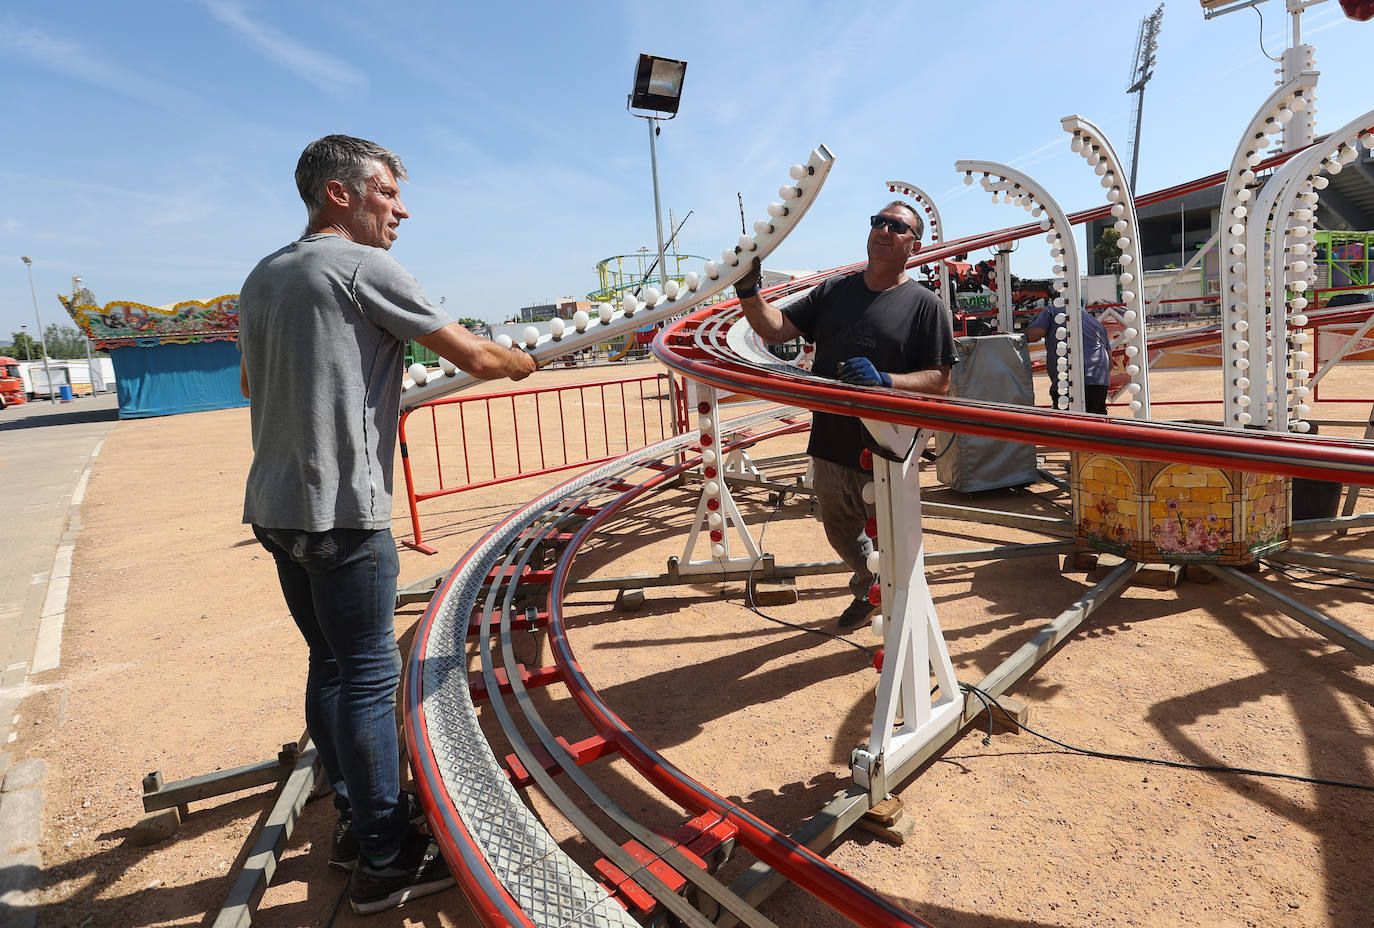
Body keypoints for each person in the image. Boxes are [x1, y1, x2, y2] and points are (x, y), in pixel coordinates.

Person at [237, 134, 536, 915]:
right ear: (340, 194)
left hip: (275, 506)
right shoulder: (362, 267)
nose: (401, 210)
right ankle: (385, 854)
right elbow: (473, 355)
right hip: (341, 512)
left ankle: (352, 822)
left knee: (329, 664)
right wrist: (524, 361)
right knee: (370, 674)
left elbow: (249, 380)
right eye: (387, 193)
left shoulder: (265, 274)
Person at [734, 201, 957, 629]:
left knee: (893, 538)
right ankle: (869, 584)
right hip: (831, 439)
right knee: (838, 528)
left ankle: (902, 620)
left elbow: (939, 380)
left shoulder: (925, 305)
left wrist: (886, 380)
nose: (884, 230)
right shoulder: (836, 291)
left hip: (887, 447)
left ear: (915, 244)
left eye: (898, 227)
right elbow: (777, 327)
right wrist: (748, 292)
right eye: (879, 222)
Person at [1025, 303, 1111, 414]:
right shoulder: (1097, 324)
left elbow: (1034, 335)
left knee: (1066, 423)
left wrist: (1013, 335)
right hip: (1098, 381)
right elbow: (1110, 362)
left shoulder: (1053, 310)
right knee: (1096, 423)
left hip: (1067, 380)